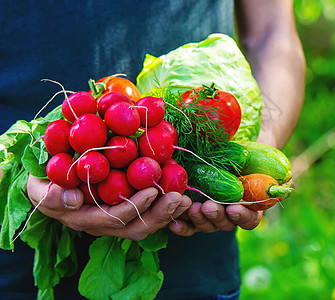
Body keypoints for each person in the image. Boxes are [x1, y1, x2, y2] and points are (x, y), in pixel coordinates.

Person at [0, 0, 305, 299]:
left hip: (198, 269)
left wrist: (262, 145)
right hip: (15, 273)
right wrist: (33, 174)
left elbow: (272, 33)